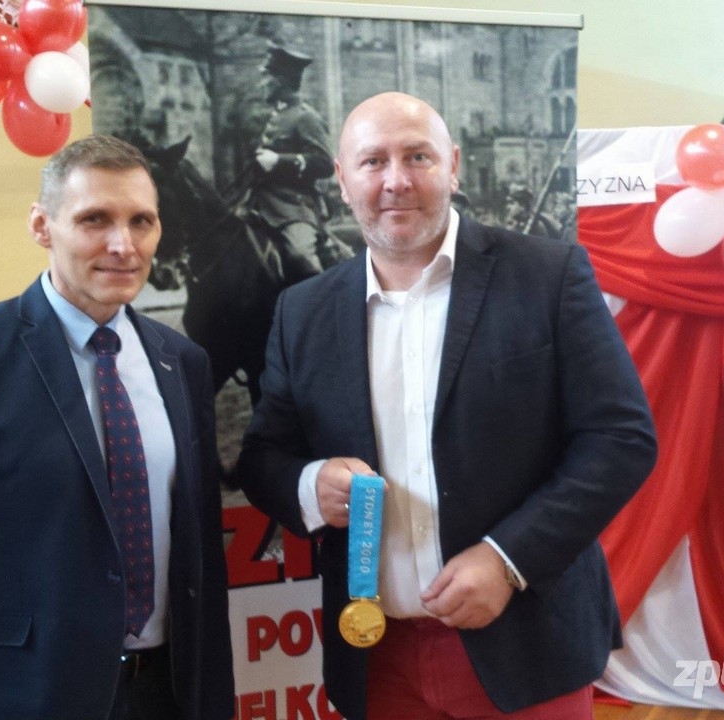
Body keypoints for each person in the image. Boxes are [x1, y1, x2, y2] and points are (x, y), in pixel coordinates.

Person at [237, 92, 657, 719]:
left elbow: (621, 438)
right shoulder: (303, 311)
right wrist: (309, 485)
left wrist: (508, 559)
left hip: (526, 646)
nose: (396, 181)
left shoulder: (548, 275)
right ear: (342, 179)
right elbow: (264, 454)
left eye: (418, 157)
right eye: (373, 161)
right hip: (377, 659)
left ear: (453, 166)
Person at [0, 135, 234, 720]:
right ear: (42, 226)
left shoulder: (182, 362)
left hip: (166, 694)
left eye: (141, 221)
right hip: (25, 698)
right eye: (95, 219)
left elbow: (200, 560)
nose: (123, 245)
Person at [245, 45, 338, 282]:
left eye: (266, 77)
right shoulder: (271, 116)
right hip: (257, 200)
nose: (261, 84)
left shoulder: (305, 117)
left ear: (280, 81)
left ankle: (318, 300)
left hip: (293, 206)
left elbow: (325, 163)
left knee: (301, 256)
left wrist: (279, 161)